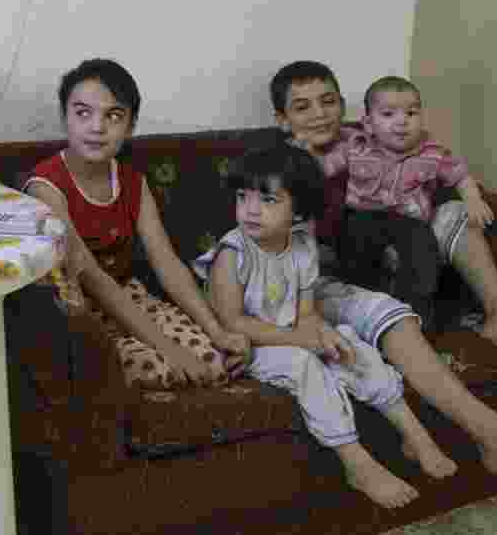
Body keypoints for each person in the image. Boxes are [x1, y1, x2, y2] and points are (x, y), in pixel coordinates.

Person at [268, 59, 497, 476]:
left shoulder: (369, 135)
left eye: (328, 101)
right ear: (282, 119)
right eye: (302, 107)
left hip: (395, 257)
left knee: (453, 212)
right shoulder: (277, 164)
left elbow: (435, 168)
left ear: (345, 105)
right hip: (324, 278)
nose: (319, 114)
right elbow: (286, 247)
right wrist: (306, 174)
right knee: (385, 304)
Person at [194, 144, 456, 508]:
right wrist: (301, 340)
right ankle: (358, 464)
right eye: (243, 196)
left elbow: (306, 313)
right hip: (247, 346)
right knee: (304, 365)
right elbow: (232, 322)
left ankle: (414, 435)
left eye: (268, 200)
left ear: (298, 211)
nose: (250, 209)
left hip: (290, 332)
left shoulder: (302, 246)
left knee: (348, 341)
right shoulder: (232, 253)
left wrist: (322, 333)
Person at [24, 59, 250, 389]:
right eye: (83, 113)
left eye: (113, 116)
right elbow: (91, 275)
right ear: (65, 118)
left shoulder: (132, 183)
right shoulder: (45, 186)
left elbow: (168, 265)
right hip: (80, 309)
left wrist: (218, 331)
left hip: (130, 296)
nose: (97, 127)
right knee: (156, 369)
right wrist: (172, 351)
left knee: (215, 361)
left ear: (130, 126)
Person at [313, 75, 493, 332]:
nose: (402, 122)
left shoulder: (432, 153)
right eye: (388, 114)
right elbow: (324, 168)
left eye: (411, 113)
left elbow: (460, 176)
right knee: (353, 248)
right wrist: (304, 156)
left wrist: (473, 199)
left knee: (422, 249)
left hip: (408, 221)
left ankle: (418, 316)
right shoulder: (356, 145)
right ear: (369, 123)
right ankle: (368, 307)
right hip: (361, 216)